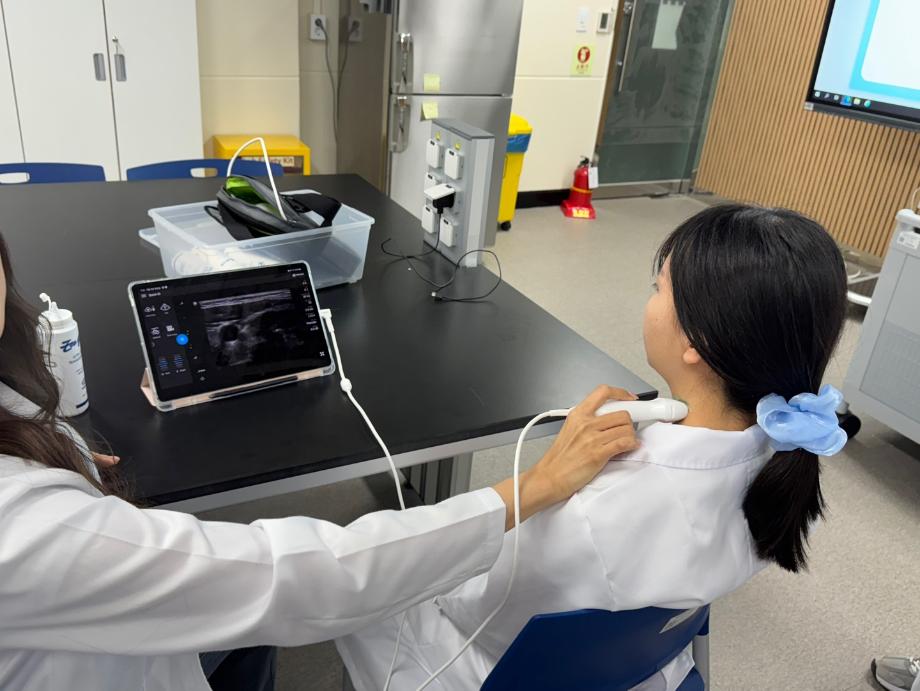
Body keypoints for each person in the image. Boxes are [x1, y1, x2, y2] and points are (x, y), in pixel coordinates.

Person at [0, 229, 640, 691]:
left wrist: (59, 454)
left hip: (99, 635)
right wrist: (531, 487)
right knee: (260, 611)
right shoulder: (23, 533)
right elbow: (299, 575)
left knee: (246, 637)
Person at [337, 204, 851, 691]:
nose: (651, 299)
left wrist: (542, 482)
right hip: (647, 663)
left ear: (699, 342)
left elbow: (477, 608)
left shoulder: (593, 512)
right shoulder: (787, 457)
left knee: (368, 593)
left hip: (487, 671)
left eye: (659, 288)